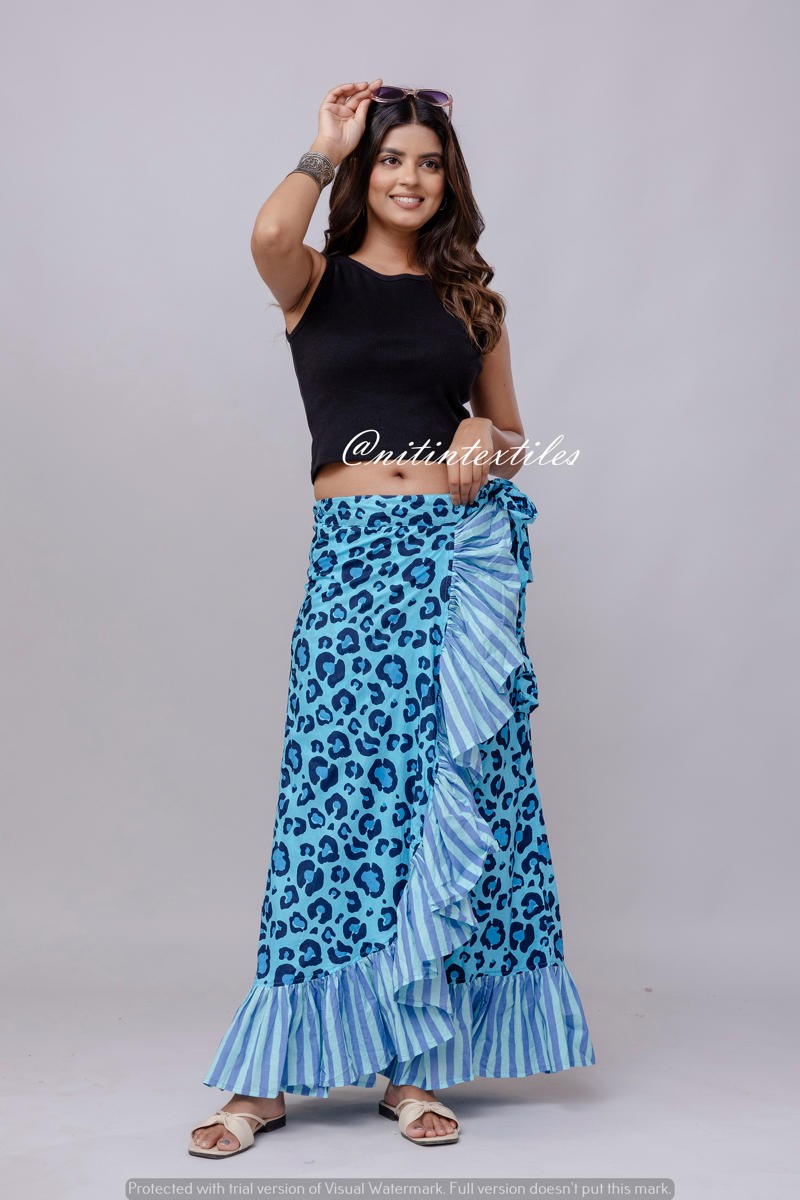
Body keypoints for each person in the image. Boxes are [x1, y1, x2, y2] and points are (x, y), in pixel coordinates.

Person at [189, 79, 596, 1159]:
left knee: (443, 803)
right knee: (332, 804)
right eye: (391, 160)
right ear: (364, 175)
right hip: (356, 564)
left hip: (454, 566)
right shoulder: (314, 282)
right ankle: (271, 1076)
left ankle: (413, 1067)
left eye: (428, 161)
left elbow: (513, 438)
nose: (411, 178)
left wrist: (481, 435)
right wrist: (323, 144)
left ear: (447, 180)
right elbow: (266, 234)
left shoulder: (472, 305)